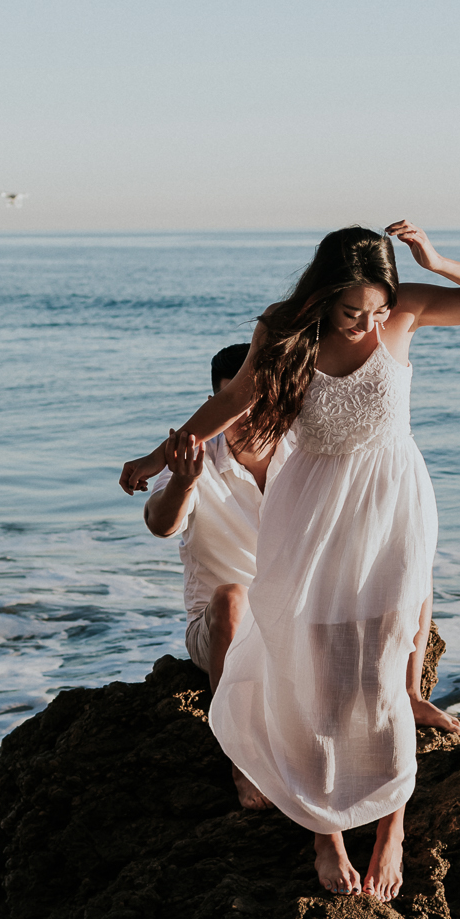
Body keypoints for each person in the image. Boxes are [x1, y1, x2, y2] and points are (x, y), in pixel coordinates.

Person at [119, 221, 460, 903]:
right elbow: (230, 400)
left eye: (376, 311)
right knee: (309, 664)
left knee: (385, 662)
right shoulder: (283, 330)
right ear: (323, 296)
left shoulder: (407, 310)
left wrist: (436, 260)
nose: (370, 326)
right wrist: (159, 458)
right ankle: (325, 833)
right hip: (309, 505)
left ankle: (390, 828)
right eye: (353, 312)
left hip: (390, 504)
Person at [137, 343, 287, 808]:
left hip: (291, 623)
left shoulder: (303, 454)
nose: (249, 416)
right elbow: (160, 524)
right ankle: (241, 763)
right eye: (235, 406)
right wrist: (182, 482)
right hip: (220, 630)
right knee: (231, 598)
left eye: (258, 403)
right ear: (214, 408)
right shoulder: (196, 457)